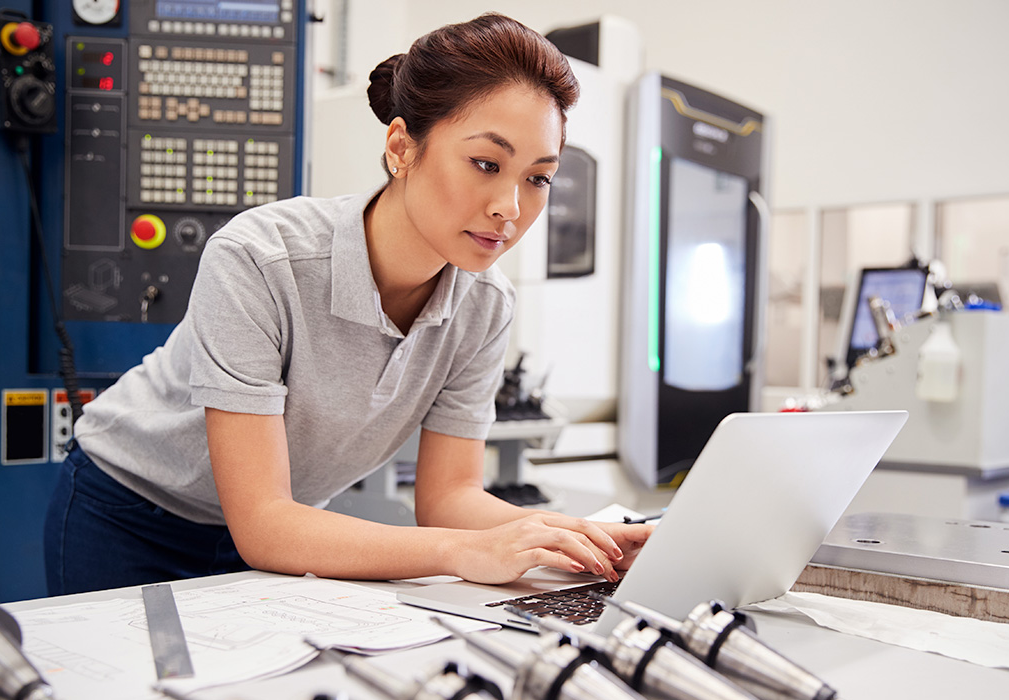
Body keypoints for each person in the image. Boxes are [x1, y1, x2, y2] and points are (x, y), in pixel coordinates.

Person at [43, 13, 652, 596]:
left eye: (538, 177)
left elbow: (448, 497)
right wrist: (457, 552)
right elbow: (263, 524)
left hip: (297, 534)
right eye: (486, 164)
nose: (510, 207)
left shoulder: (485, 305)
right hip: (131, 511)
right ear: (402, 146)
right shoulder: (260, 258)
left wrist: (580, 540)